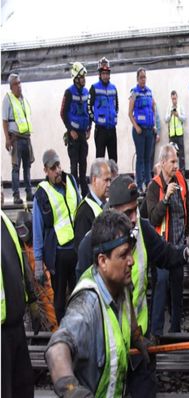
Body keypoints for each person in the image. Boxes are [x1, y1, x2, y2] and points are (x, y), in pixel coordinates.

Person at [76, 175, 189, 398]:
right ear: (112, 211)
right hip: (107, 347)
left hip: (139, 341)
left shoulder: (143, 231)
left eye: (135, 210)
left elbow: (167, 256)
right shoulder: (91, 244)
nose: (134, 219)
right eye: (127, 214)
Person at [45, 210, 152, 398]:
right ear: (102, 261)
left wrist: (136, 336)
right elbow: (57, 347)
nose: (131, 261)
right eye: (123, 255)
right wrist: (70, 389)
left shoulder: (120, 284)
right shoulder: (88, 303)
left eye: (130, 253)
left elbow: (127, 307)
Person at [146, 144, 189, 335]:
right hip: (161, 249)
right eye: (173, 161)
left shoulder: (182, 180)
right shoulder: (153, 187)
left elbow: (188, 208)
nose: (176, 165)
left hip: (179, 246)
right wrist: (165, 198)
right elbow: (152, 219)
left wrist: (188, 234)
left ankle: (175, 330)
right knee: (161, 286)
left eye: (178, 161)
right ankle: (156, 332)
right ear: (163, 162)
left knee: (177, 287)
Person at [33, 149, 80, 323]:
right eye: (53, 168)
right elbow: (37, 230)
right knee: (59, 300)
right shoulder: (42, 194)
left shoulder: (71, 181)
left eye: (58, 165)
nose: (58, 170)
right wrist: (38, 261)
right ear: (46, 170)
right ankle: (62, 336)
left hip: (75, 250)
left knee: (79, 295)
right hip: (58, 255)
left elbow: (81, 210)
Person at [1, 210, 41, 398]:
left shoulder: (6, 222)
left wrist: (32, 300)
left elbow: (22, 263)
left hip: (16, 327)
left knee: (23, 391)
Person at [60, 62, 91, 197]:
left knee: (83, 165)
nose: (84, 79)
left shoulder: (86, 92)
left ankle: (84, 193)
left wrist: (89, 127)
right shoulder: (69, 92)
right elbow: (63, 113)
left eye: (84, 77)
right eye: (82, 77)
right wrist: (70, 130)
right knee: (74, 167)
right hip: (73, 135)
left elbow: (89, 111)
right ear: (76, 78)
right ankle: (74, 193)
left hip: (83, 134)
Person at [2, 73, 34, 204]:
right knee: (16, 168)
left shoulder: (23, 99)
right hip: (15, 138)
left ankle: (29, 193)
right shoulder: (8, 99)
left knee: (27, 167)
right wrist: (7, 139)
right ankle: (16, 195)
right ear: (11, 86)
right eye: (16, 84)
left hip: (26, 138)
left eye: (19, 83)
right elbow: (4, 121)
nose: (19, 86)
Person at [128, 68, 156, 193]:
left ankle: (148, 183)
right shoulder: (134, 92)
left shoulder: (149, 92)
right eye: (141, 77)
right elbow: (130, 113)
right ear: (137, 79)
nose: (143, 79)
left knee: (147, 158)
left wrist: (154, 124)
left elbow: (153, 107)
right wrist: (136, 126)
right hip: (139, 131)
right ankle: (139, 185)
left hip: (149, 130)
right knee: (140, 158)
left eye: (144, 77)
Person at [73, 159, 111, 252]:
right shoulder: (84, 212)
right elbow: (81, 251)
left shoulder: (107, 205)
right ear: (94, 180)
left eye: (110, 180)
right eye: (106, 180)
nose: (109, 184)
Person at [88, 57, 118, 162]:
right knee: (100, 160)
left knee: (113, 160)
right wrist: (95, 119)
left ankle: (114, 178)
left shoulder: (113, 88)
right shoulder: (94, 88)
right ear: (99, 75)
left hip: (112, 129)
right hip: (100, 130)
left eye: (107, 73)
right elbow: (88, 108)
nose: (105, 76)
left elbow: (116, 107)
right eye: (103, 73)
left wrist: (113, 117)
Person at [165, 90, 186, 173]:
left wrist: (178, 115)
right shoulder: (168, 108)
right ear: (171, 98)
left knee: (181, 154)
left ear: (177, 98)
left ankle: (182, 172)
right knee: (171, 154)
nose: (174, 100)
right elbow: (166, 119)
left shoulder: (180, 107)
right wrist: (170, 114)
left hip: (179, 134)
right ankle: (172, 171)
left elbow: (184, 118)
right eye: (172, 98)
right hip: (172, 135)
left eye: (175, 98)